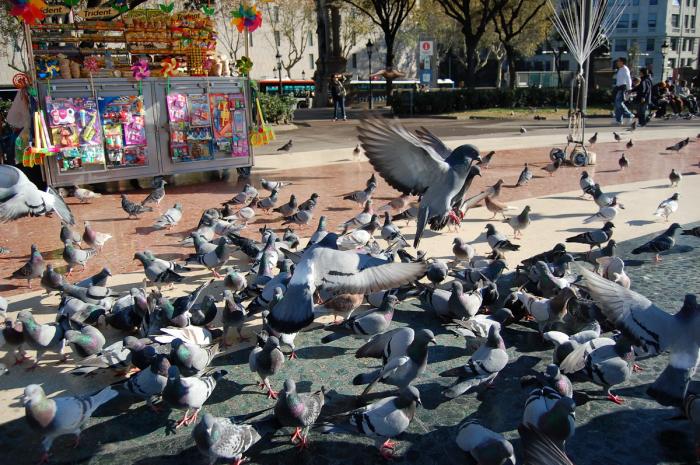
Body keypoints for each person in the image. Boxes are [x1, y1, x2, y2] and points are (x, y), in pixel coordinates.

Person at [613, 57, 634, 125]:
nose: (617, 62)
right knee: (617, 104)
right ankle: (618, 120)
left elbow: (628, 79)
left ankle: (629, 114)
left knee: (619, 103)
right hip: (618, 88)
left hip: (622, 88)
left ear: (622, 62)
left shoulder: (625, 69)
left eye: (618, 61)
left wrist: (629, 88)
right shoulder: (620, 69)